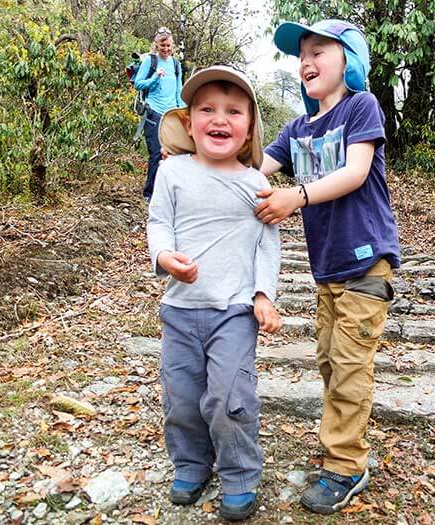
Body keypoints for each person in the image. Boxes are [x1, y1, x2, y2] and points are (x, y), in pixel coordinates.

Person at [254, 20, 401, 514]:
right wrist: (197, 158)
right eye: (302, 55)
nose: (307, 61)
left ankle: (346, 465)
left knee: (349, 365)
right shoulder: (297, 128)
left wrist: (294, 197)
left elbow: (356, 172)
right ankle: (345, 441)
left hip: (365, 262)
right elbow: (255, 169)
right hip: (327, 270)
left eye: (319, 50)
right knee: (327, 360)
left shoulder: (361, 107)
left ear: (349, 62)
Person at [147, 64, 281, 521]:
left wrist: (264, 294)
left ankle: (240, 473)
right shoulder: (173, 173)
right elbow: (159, 223)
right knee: (181, 395)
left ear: (248, 131)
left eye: (233, 111)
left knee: (228, 395)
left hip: (234, 310)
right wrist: (164, 258)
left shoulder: (256, 184)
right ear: (188, 122)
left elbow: (268, 243)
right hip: (179, 311)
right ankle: (190, 462)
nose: (218, 119)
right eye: (206, 109)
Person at [134, 27, 183, 201]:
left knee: (173, 154)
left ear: (172, 45)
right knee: (156, 153)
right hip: (153, 113)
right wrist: (155, 77)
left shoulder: (176, 65)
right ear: (157, 44)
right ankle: (149, 194)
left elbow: (179, 92)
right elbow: (138, 84)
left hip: (171, 114)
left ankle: (167, 192)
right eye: (162, 44)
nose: (166, 48)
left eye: (168, 45)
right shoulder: (150, 61)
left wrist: (183, 114)